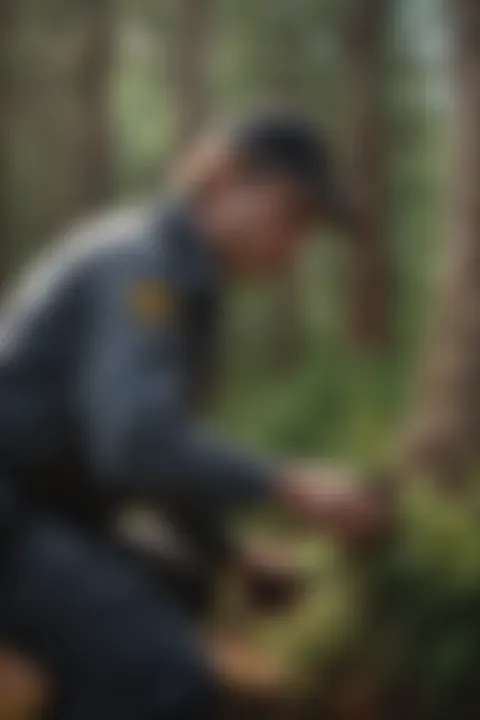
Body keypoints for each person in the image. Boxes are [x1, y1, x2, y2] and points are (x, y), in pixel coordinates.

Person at [0, 110, 381, 719]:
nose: (296, 243)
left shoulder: (181, 280)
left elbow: (148, 459)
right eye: (292, 212)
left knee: (180, 578)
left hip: (40, 510)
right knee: (158, 674)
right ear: (225, 175)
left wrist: (229, 550)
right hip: (13, 512)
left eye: (309, 227)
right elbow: (134, 441)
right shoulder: (140, 265)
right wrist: (286, 484)